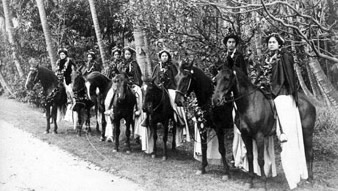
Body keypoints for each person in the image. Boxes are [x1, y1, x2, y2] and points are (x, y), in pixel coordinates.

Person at [264, 33, 307, 189]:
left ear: (279, 44)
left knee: (287, 138)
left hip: (283, 96)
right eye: (269, 42)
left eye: (273, 42)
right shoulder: (269, 59)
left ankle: (293, 176)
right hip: (273, 95)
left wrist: (280, 91)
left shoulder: (284, 56)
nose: (270, 44)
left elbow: (289, 77)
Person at [142, 49, 190, 146]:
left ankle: (178, 117)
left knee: (174, 101)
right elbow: (153, 78)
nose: (164, 57)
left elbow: (176, 79)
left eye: (166, 56)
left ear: (168, 57)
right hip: (159, 89)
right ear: (160, 57)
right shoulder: (157, 67)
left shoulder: (172, 67)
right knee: (149, 97)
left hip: (169, 88)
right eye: (162, 56)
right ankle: (147, 117)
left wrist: (169, 84)